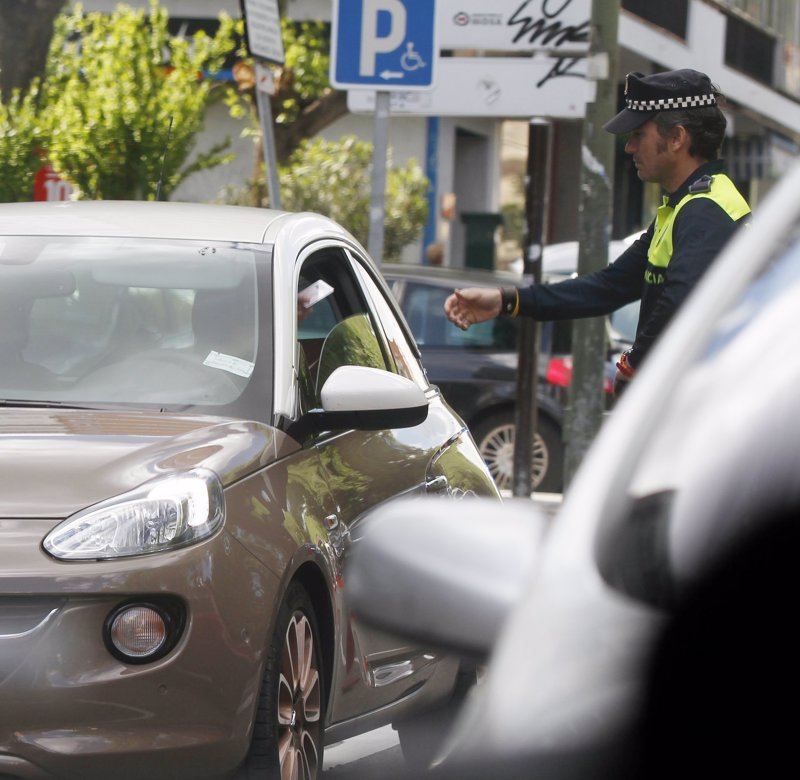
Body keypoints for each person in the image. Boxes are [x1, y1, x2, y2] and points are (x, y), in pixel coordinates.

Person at [444, 69, 751, 395]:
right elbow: (608, 287)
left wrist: (635, 364)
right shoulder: (685, 205)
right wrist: (507, 300)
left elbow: (682, 301)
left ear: (676, 137)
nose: (630, 147)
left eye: (639, 134)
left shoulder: (705, 210)